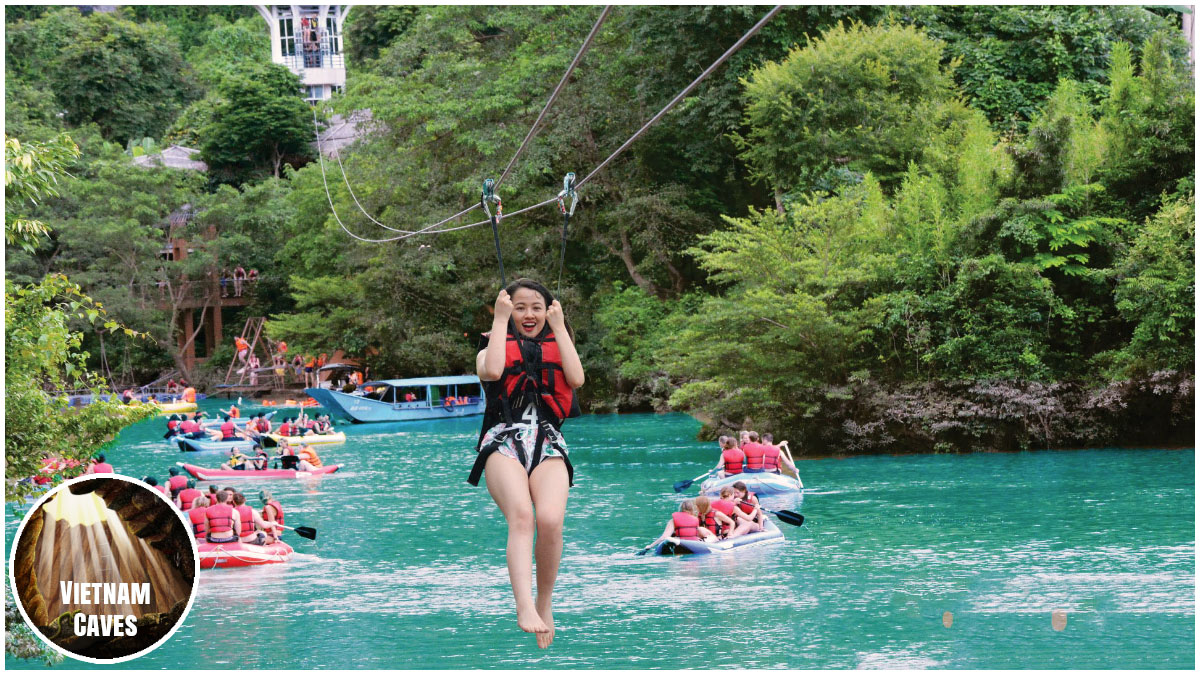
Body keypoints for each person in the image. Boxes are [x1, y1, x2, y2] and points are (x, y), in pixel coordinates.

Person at [470, 279, 584, 649]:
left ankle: (544, 603)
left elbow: (577, 379)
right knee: (523, 517)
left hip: (547, 440)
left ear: (547, 311)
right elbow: (492, 372)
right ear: (507, 310)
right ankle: (522, 605)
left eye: (537, 307)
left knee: (550, 519)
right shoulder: (490, 347)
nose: (529, 314)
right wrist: (500, 319)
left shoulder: (558, 342)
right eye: (520, 307)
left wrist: (561, 325)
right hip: (503, 440)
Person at [649, 499, 717, 548]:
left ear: (681, 508)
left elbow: (664, 537)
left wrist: (650, 546)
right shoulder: (695, 519)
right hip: (694, 545)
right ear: (692, 509)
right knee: (705, 532)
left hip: (679, 543)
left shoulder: (673, 520)